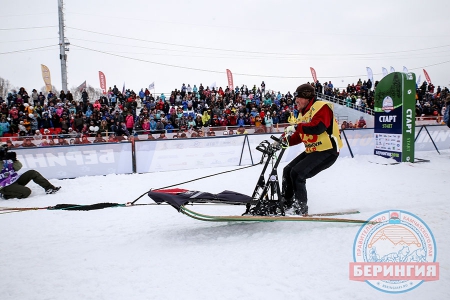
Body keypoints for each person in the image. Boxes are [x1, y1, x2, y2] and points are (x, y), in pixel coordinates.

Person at [281, 84, 343, 215]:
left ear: (307, 98)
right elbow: (299, 136)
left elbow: (318, 127)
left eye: (298, 98)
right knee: (287, 170)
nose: (296, 101)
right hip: (313, 150)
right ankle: (286, 204)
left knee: (298, 173)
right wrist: (282, 142)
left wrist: (298, 127)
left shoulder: (321, 107)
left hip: (328, 150)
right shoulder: (302, 114)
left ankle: (301, 209)